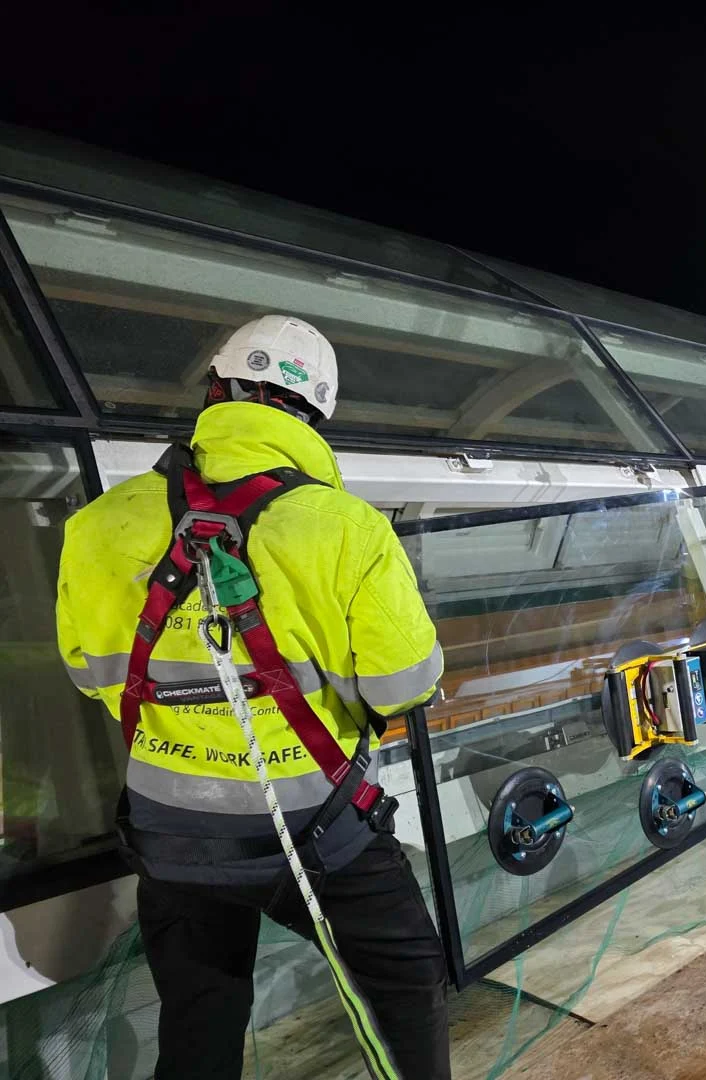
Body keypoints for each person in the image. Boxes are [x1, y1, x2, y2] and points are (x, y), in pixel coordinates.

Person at [56, 315, 451, 1079]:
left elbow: (93, 673)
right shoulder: (349, 529)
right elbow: (403, 686)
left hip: (171, 830)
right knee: (406, 984)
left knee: (199, 1017)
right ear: (316, 416)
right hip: (319, 831)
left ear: (216, 389)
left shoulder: (100, 522)